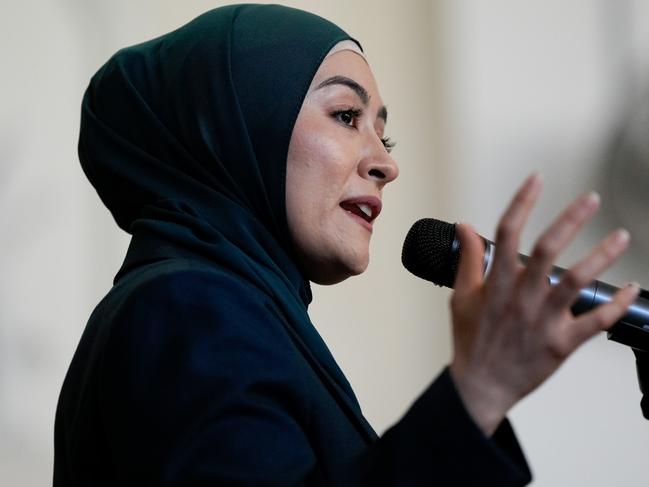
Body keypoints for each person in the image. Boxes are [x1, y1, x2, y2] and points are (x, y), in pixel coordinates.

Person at [54, 4, 640, 486]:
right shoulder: (187, 309)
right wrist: (476, 394)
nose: (386, 163)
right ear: (236, 125)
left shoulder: (234, 315)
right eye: (345, 115)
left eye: (385, 134)